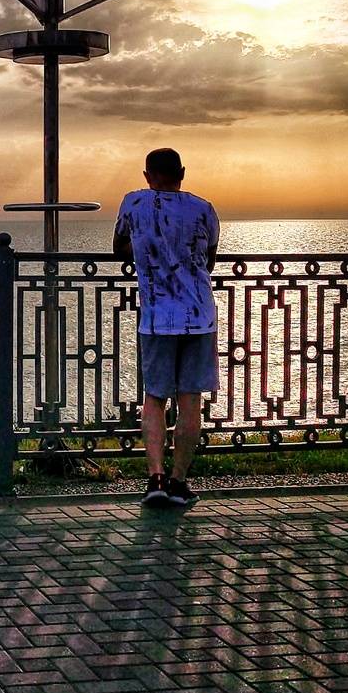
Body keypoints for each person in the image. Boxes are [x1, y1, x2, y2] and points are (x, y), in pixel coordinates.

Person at [113, 148, 219, 509]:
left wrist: (149, 247)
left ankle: (155, 478)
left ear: (147, 176)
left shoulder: (134, 203)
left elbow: (119, 248)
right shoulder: (204, 208)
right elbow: (209, 260)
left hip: (157, 317)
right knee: (190, 400)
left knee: (155, 398)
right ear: (182, 173)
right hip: (199, 316)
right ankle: (179, 482)